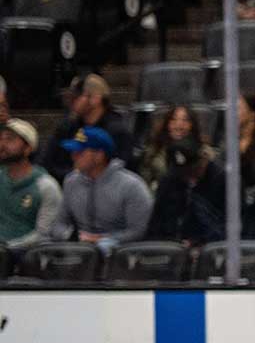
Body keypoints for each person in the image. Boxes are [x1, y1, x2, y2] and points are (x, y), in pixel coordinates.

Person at [51, 127, 152, 252]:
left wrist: (104, 239)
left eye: (80, 152)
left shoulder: (132, 186)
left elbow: (138, 231)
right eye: (73, 151)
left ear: (99, 155)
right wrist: (74, 237)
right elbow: (58, 224)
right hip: (79, 252)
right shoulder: (71, 181)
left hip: (120, 254)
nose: (73, 156)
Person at [43, 74, 134, 179]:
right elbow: (47, 162)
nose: (71, 101)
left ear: (95, 98)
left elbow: (121, 173)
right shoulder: (67, 127)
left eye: (77, 96)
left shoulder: (117, 132)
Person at [147, 134, 226, 245]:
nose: (188, 177)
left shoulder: (223, 181)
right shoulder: (170, 181)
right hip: (171, 249)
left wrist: (198, 242)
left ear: (204, 160)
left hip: (212, 249)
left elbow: (229, 227)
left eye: (193, 170)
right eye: (183, 173)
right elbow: (155, 224)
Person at [0, 118, 60, 248]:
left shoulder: (46, 186)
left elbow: (44, 234)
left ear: (28, 148)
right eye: (1, 139)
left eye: (10, 139)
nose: (2, 145)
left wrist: (9, 247)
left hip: (28, 257)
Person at [137, 103, 210, 193]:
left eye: (185, 120)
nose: (178, 125)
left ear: (192, 125)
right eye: (173, 120)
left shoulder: (204, 153)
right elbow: (144, 183)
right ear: (167, 123)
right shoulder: (154, 150)